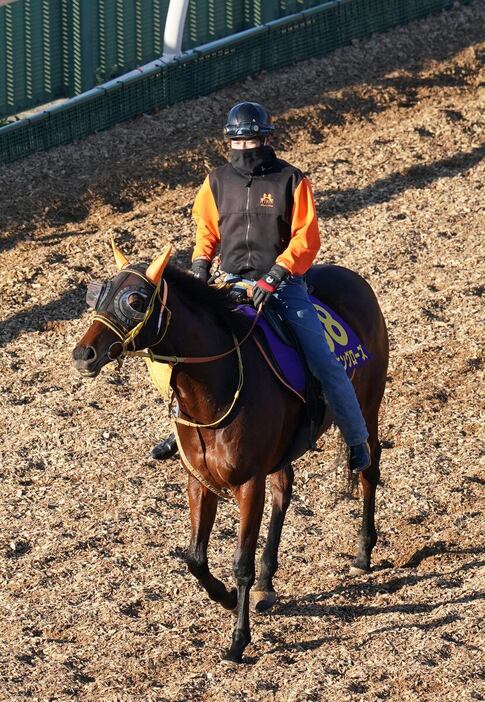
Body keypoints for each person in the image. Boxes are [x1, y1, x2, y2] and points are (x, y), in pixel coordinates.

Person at [152, 101, 370, 473]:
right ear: (229, 142)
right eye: (239, 143)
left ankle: (357, 439)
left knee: (324, 362)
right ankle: (185, 425)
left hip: (284, 286)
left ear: (266, 139)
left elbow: (306, 238)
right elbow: (206, 230)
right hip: (231, 280)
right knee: (181, 347)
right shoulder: (216, 181)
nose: (245, 149)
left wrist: (276, 275)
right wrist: (201, 266)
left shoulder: (291, 179)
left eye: (252, 142)